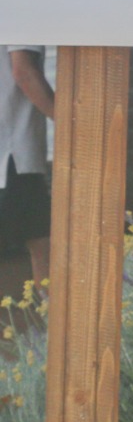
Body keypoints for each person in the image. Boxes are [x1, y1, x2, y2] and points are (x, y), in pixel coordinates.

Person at [0, 46, 54, 289]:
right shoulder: (23, 23)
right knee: (42, 245)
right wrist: (67, 119)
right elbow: (23, 71)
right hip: (13, 152)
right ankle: (50, 310)